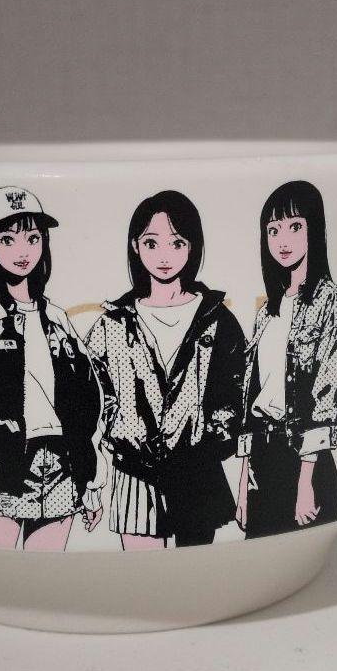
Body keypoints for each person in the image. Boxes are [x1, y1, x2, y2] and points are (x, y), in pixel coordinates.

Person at [0, 186, 104, 551]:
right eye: (8, 239)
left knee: (47, 573)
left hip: (61, 467)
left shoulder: (57, 318)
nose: (22, 251)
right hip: (4, 464)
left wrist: (89, 475)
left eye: (33, 238)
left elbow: (87, 399)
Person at [85, 191, 246, 549]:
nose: (164, 256)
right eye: (151, 243)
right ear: (135, 246)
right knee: (143, 576)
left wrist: (208, 439)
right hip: (135, 474)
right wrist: (121, 433)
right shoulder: (113, 323)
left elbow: (237, 388)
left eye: (177, 243)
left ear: (192, 247)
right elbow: (90, 393)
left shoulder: (216, 319)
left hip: (197, 472)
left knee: (194, 576)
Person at [235, 180, 337, 537]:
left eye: (295, 226)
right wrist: (243, 481)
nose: (282, 240)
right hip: (263, 457)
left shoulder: (327, 298)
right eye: (273, 230)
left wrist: (306, 482)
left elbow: (327, 391)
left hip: (303, 457)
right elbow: (251, 400)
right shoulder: (266, 312)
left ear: (314, 229)